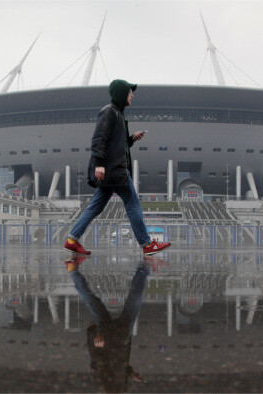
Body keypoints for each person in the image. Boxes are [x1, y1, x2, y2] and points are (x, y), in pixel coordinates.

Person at [64, 79, 171, 256]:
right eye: (130, 92)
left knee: (95, 206)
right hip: (114, 170)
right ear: (121, 94)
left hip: (112, 170)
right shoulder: (109, 112)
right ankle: (146, 244)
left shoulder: (118, 115)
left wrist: (131, 139)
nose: (132, 95)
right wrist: (99, 164)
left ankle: (72, 240)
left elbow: (116, 145)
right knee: (133, 203)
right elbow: (99, 139)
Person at [64, 256, 149, 392]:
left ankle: (144, 268)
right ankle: (73, 271)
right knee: (93, 303)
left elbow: (98, 370)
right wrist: (131, 373)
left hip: (118, 341)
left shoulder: (109, 391)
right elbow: (117, 369)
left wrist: (98, 349)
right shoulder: (115, 388)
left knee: (134, 301)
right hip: (108, 340)